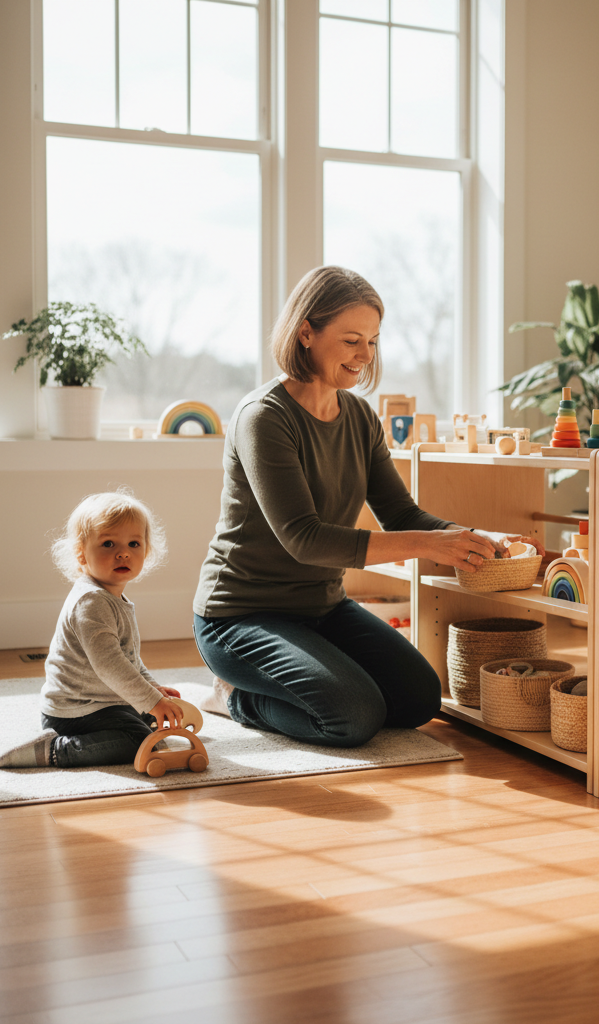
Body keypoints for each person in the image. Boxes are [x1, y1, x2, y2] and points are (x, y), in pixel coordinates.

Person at [193, 265, 542, 748]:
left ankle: (300, 679)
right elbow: (304, 539)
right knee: (353, 717)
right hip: (241, 616)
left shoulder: (358, 416)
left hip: (322, 608)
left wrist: (475, 537)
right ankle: (234, 697)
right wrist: (428, 546)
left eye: (373, 341)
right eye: (352, 339)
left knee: (420, 699)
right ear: (306, 333)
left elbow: (401, 515)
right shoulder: (263, 418)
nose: (365, 356)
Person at [0, 491, 185, 769]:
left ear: (146, 551)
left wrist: (151, 689)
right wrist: (149, 699)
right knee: (137, 740)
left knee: (151, 718)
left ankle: (138, 719)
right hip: (74, 711)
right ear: (81, 554)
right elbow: (109, 665)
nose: (123, 552)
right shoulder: (91, 602)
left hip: (102, 701)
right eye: (108, 543)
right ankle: (53, 750)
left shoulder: (113, 598)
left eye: (134, 543)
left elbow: (128, 659)